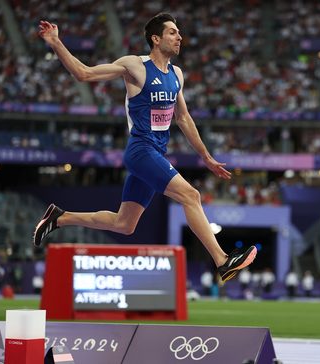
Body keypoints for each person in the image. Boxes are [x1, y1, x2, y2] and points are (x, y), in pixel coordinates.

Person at [33, 14, 256, 281]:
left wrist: (206, 157)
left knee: (124, 224)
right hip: (140, 150)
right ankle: (222, 260)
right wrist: (56, 43)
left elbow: (183, 118)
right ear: (156, 38)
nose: (180, 37)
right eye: (173, 32)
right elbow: (85, 73)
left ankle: (59, 217)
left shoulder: (176, 75)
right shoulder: (135, 66)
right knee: (191, 196)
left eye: (179, 33)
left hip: (155, 154)